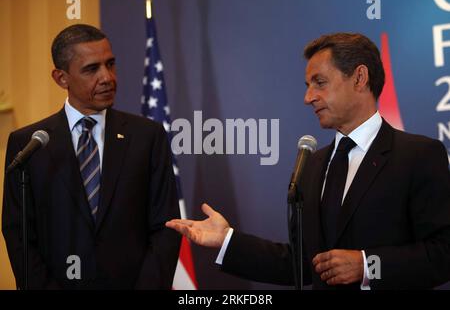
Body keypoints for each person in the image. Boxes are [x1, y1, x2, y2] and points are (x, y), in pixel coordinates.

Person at [166, 33, 450, 289]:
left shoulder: (418, 155)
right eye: (307, 85)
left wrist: (367, 265)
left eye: (320, 83)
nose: (308, 97)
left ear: (360, 78)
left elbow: (443, 254)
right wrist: (226, 239)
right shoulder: (312, 164)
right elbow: (302, 265)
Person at [2, 24, 181, 289]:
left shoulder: (148, 136)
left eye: (110, 64)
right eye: (91, 69)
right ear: (61, 78)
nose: (107, 77)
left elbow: (165, 227)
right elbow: (19, 234)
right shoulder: (28, 144)